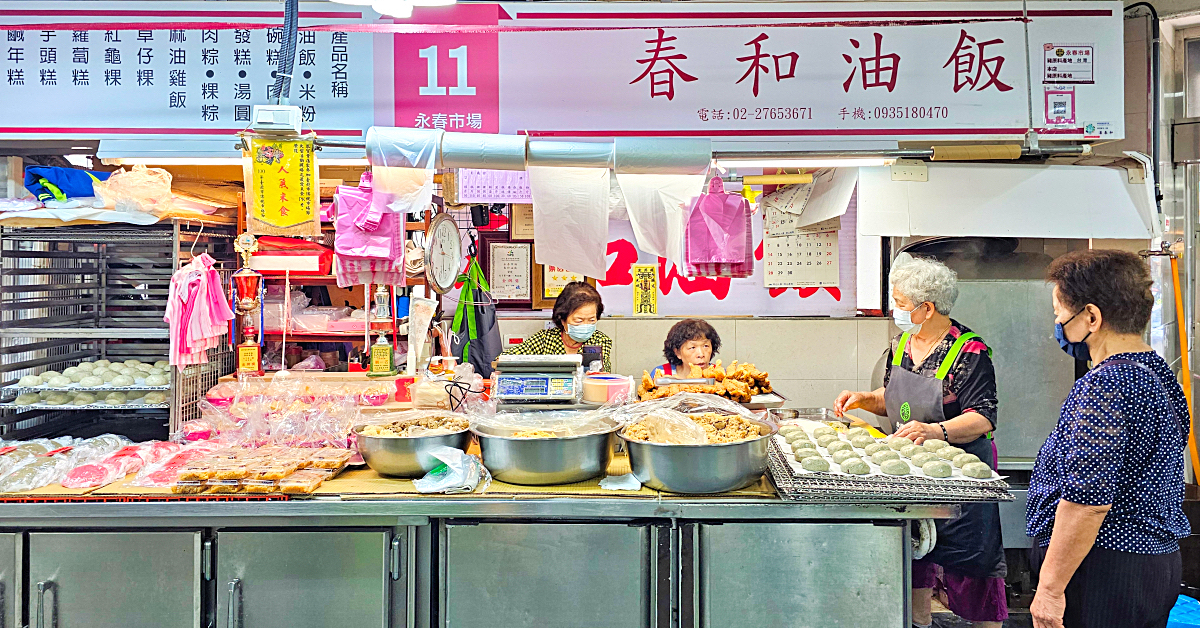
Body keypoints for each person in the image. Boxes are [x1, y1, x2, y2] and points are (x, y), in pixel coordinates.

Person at [834, 253, 1006, 628]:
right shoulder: (902, 344)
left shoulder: (969, 352)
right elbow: (895, 399)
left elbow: (982, 417)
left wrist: (934, 431)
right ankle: (919, 622)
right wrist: (864, 399)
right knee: (915, 555)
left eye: (900, 304)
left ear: (927, 308)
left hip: (960, 477)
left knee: (972, 565)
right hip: (910, 474)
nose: (895, 310)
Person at [1026, 250, 1190, 628]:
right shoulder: (1160, 375)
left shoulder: (1106, 384)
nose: (1058, 325)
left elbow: (1087, 501)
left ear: (1091, 317)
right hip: (1151, 563)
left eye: (1059, 315)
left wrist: (1049, 589)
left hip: (1106, 568)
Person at [500, 281, 612, 373]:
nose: (585, 325)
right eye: (579, 320)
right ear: (562, 319)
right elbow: (503, 360)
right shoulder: (545, 340)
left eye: (591, 320)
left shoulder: (600, 341)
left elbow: (604, 376)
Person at [655, 319, 722, 378]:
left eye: (706, 346)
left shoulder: (720, 374)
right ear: (677, 352)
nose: (701, 354)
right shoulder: (661, 373)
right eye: (692, 347)